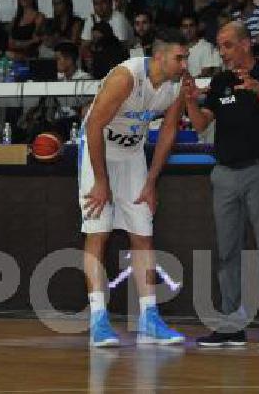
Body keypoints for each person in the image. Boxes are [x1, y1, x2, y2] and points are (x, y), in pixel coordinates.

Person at [78, 29, 191, 347]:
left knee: (143, 234)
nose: (184, 64)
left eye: (186, 58)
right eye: (179, 58)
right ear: (158, 57)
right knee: (98, 232)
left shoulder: (177, 85)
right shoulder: (126, 77)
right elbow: (94, 125)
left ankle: (149, 317)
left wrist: (152, 180)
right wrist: (101, 181)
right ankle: (98, 319)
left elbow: (168, 132)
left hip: (131, 155)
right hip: (97, 151)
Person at [183, 22, 259, 349]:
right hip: (225, 174)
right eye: (220, 45)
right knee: (228, 251)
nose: (223, 52)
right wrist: (190, 101)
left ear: (246, 44)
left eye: (227, 45)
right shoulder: (220, 81)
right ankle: (231, 325)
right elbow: (202, 124)